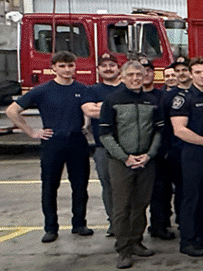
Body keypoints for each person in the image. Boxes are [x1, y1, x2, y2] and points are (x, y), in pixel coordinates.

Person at [7, 51, 96, 243]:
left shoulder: (83, 88)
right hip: (53, 142)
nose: (66, 69)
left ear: (75, 67)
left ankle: (79, 223)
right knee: (49, 186)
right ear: (53, 67)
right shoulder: (42, 90)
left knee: (80, 185)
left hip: (77, 142)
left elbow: (88, 108)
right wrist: (31, 132)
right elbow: (12, 110)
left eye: (70, 65)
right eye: (62, 66)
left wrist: (86, 122)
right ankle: (50, 228)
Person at [98, 61, 162, 269]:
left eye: (139, 75)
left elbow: (159, 132)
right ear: (123, 77)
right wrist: (124, 157)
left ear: (145, 77)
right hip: (120, 161)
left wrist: (149, 154)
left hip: (146, 160)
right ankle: (123, 249)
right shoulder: (112, 100)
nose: (135, 78)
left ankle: (136, 242)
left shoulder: (151, 100)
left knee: (141, 204)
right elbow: (105, 135)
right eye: (131, 74)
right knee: (121, 206)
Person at [171, 57, 203, 256]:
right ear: (191, 74)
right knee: (191, 197)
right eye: (198, 72)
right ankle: (188, 241)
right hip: (193, 153)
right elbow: (179, 130)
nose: (202, 76)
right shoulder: (183, 98)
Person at [82, 53, 121, 237]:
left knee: (130, 188)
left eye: (112, 65)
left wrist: (102, 107)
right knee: (109, 187)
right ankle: (114, 222)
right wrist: (116, 109)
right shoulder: (92, 90)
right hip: (103, 147)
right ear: (98, 69)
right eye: (103, 65)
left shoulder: (126, 87)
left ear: (118, 68)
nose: (108, 68)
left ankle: (127, 223)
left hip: (128, 147)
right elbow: (89, 110)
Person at [149, 64, 181, 241]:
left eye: (173, 74)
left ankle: (179, 221)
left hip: (175, 150)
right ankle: (158, 226)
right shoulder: (159, 96)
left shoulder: (173, 96)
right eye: (167, 74)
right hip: (158, 151)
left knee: (179, 190)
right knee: (160, 191)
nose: (170, 77)